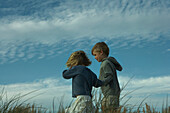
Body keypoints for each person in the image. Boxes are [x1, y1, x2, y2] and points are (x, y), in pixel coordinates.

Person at [91, 42, 123, 113]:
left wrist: (100, 83)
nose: (95, 57)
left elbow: (109, 76)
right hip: (109, 94)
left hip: (111, 94)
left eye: (95, 55)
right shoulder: (107, 63)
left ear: (101, 52)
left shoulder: (106, 63)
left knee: (110, 110)